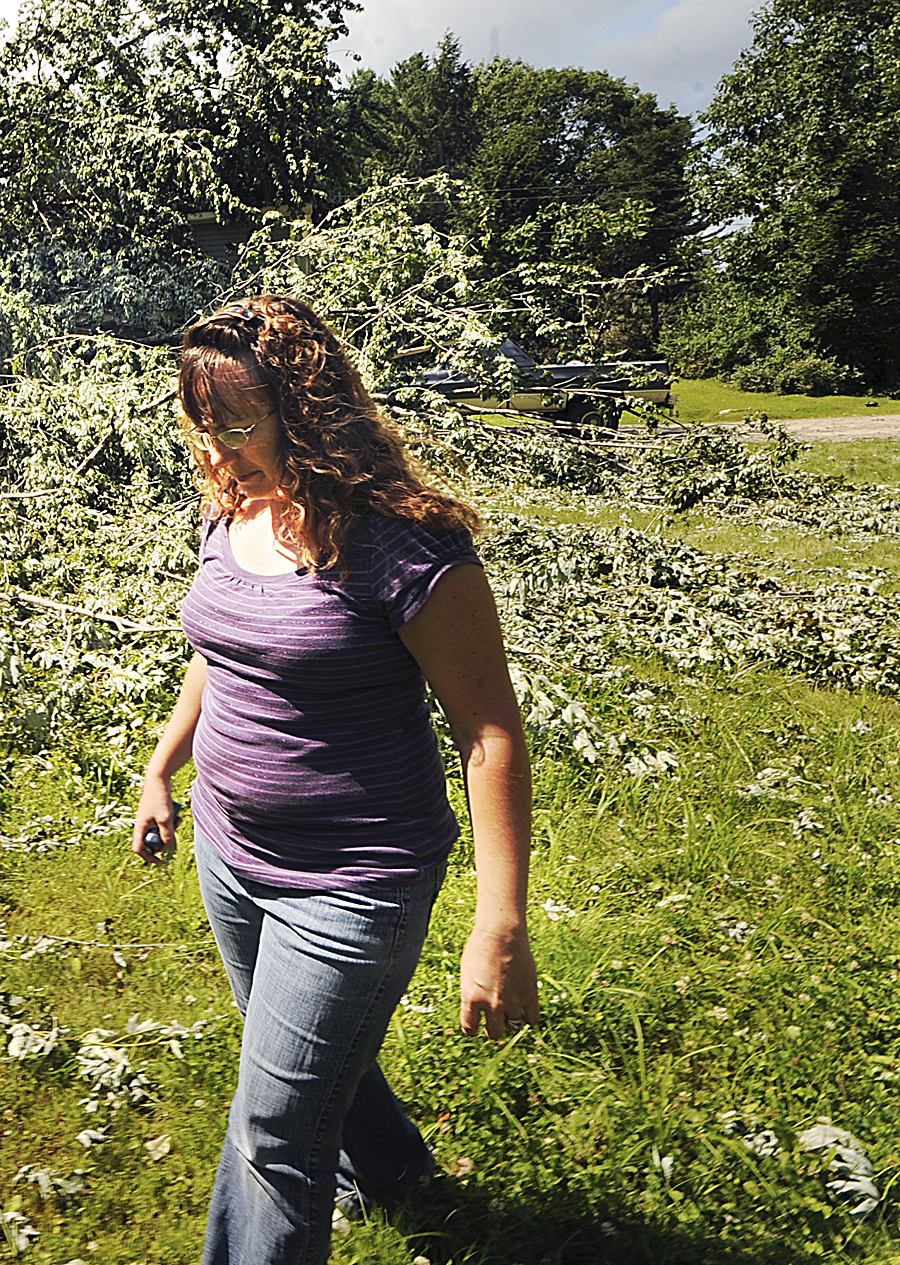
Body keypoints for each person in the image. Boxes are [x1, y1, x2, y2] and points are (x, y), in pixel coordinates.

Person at [131, 295, 539, 1265]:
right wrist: (161, 766)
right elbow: (220, 653)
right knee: (303, 1061)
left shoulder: (404, 546)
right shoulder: (230, 507)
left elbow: (488, 733)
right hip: (230, 853)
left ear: (305, 411)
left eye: (237, 425)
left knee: (270, 1132)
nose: (214, 450)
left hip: (354, 882)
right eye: (200, 425)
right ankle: (397, 1174)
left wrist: (500, 922)